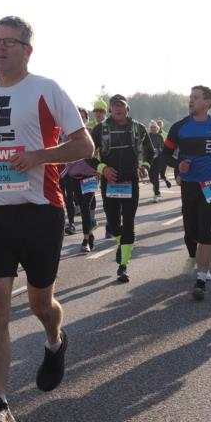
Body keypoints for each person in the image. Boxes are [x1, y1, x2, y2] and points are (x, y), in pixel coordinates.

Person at [0, 16, 92, 422]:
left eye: (9, 42)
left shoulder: (47, 90)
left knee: (39, 305)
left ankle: (55, 339)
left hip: (41, 211)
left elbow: (85, 145)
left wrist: (38, 156)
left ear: (27, 50)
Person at [156, 85, 211, 300]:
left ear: (207, 102)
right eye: (190, 97)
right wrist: (178, 164)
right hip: (190, 186)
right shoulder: (179, 127)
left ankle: (201, 278)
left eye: (195, 97)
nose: (190, 101)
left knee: (204, 231)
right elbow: (164, 155)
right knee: (190, 234)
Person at [91, 94, 154, 282]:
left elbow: (150, 151)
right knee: (113, 223)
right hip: (109, 181)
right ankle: (122, 244)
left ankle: (123, 265)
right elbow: (87, 155)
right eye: (114, 106)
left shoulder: (138, 128)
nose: (118, 109)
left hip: (130, 180)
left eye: (121, 106)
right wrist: (103, 168)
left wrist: (145, 166)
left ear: (127, 108)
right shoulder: (100, 129)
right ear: (110, 109)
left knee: (128, 223)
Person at [147, 121, 167, 202]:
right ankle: (155, 187)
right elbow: (144, 146)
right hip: (149, 159)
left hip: (158, 159)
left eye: (154, 127)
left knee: (155, 176)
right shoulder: (147, 136)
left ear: (157, 128)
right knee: (151, 177)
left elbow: (163, 147)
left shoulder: (160, 137)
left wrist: (158, 150)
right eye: (151, 127)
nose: (153, 129)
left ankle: (157, 193)